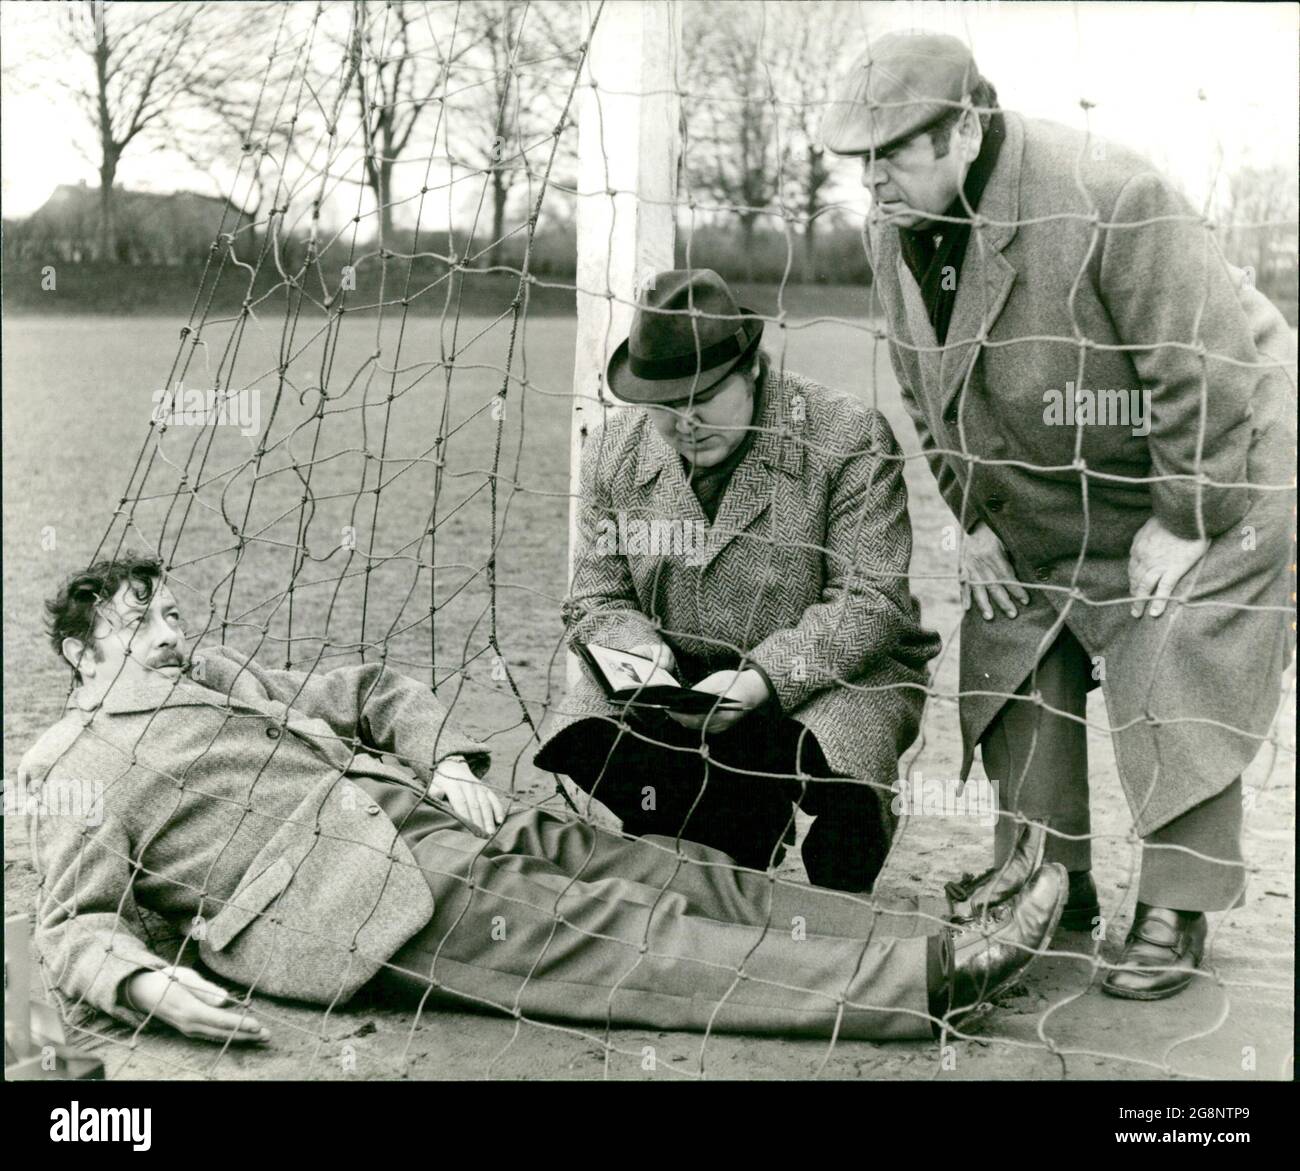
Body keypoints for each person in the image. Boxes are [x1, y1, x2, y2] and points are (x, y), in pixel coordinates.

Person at [23, 552, 1065, 1046]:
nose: (168, 629)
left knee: (683, 874)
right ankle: (929, 980)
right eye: (136, 621)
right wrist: (143, 985)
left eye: (169, 607)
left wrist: (447, 764)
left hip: (430, 817)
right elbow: (68, 923)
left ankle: (933, 918)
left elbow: (375, 693)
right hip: (355, 897)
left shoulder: (220, 676)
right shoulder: (78, 766)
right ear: (80, 654)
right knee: (637, 939)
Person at [822, 31, 1296, 999]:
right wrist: (973, 518)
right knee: (1009, 621)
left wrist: (1186, 513)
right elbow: (924, 390)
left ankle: (1175, 899)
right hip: (1052, 479)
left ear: (962, 127)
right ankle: (1049, 876)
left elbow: (1203, 367)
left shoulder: (1109, 195)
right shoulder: (893, 232)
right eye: (858, 163)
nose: (871, 182)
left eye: (890, 155)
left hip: (1225, 451)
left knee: (1174, 631)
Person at [535, 269, 942, 893]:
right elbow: (596, 597)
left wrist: (760, 682)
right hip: (684, 681)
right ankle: (721, 819)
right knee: (585, 730)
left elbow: (870, 603)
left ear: (751, 370)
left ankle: (837, 854)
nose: (685, 421)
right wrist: (646, 666)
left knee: (843, 812)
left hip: (827, 677)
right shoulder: (614, 446)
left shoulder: (847, 435)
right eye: (665, 404)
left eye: (703, 397)